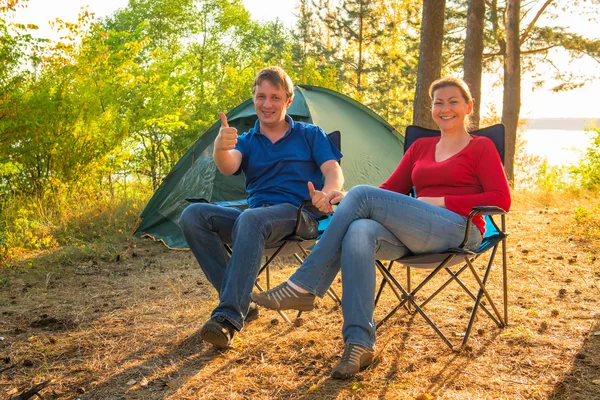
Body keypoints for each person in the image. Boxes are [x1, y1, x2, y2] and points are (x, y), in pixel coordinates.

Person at [250, 77, 511, 378]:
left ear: (468, 107)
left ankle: (305, 284)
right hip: (414, 232)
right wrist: (344, 198)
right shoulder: (421, 148)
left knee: (361, 197)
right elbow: (390, 190)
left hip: (460, 230)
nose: (445, 108)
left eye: (453, 101)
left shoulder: (481, 147)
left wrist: (439, 200)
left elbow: (501, 199)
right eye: (438, 102)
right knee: (360, 229)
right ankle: (359, 344)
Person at [179, 66, 344, 349]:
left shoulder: (310, 134)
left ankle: (228, 318)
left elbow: (333, 170)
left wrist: (327, 194)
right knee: (193, 215)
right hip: (254, 219)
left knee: (251, 219)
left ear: (288, 101)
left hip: (298, 214)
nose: (267, 104)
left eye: (275, 97)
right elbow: (229, 165)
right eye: (261, 96)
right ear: (254, 98)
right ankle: (243, 303)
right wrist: (220, 147)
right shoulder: (247, 141)